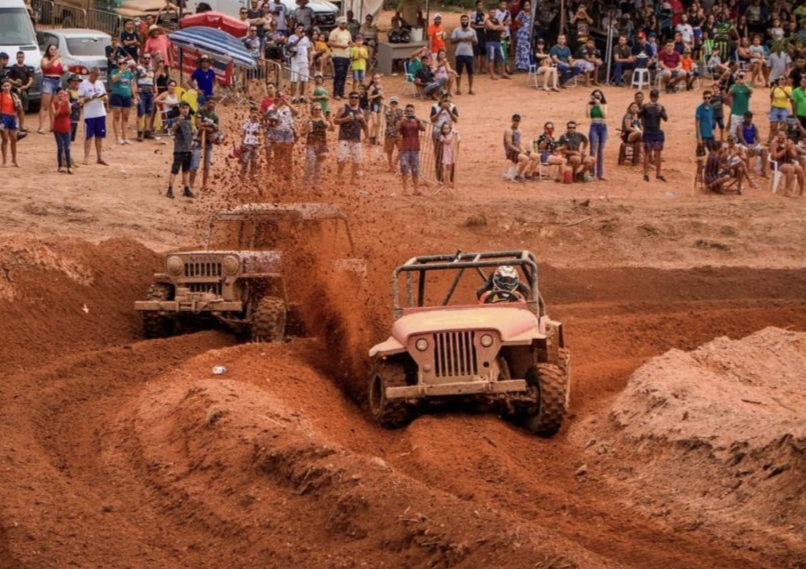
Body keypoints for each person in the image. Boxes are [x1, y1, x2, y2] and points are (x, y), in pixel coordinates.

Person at [333, 90, 367, 183]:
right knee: (342, 158)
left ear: (358, 99)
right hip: (344, 137)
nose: (354, 99)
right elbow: (335, 121)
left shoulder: (361, 111)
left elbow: (364, 126)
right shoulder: (343, 108)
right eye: (352, 97)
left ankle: (353, 179)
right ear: (349, 98)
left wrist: (363, 121)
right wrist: (346, 119)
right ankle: (338, 177)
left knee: (357, 160)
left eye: (356, 97)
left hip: (356, 138)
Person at [78, 67, 108, 165]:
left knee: (99, 136)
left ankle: (99, 157)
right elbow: (80, 100)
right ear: (90, 73)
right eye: (95, 75)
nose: (96, 77)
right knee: (88, 136)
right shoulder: (83, 84)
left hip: (100, 112)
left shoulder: (100, 83)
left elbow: (105, 96)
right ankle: (86, 158)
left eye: (98, 75)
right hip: (89, 114)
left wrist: (104, 98)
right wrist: (91, 97)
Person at [301, 103, 333, 192]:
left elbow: (331, 129)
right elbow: (301, 133)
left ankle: (316, 186)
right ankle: (305, 185)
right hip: (311, 144)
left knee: (318, 167)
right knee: (311, 164)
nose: (318, 111)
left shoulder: (323, 120)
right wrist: (307, 130)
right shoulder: (308, 120)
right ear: (312, 110)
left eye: (319, 109)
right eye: (316, 109)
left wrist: (329, 120)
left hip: (321, 145)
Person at [190, 97, 220, 192]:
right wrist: (211, 126)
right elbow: (198, 125)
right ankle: (191, 185)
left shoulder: (215, 117)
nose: (211, 104)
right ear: (206, 103)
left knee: (207, 165)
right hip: (198, 140)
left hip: (208, 142)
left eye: (213, 103)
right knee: (195, 164)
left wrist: (206, 126)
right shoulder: (200, 112)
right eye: (210, 102)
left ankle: (205, 184)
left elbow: (216, 129)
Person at [166, 101, 194, 199]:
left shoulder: (189, 120)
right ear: (179, 109)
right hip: (179, 149)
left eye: (187, 108)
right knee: (175, 170)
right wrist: (178, 123)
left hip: (188, 149)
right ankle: (170, 189)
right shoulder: (177, 119)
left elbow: (191, 132)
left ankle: (186, 189)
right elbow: (171, 130)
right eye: (183, 108)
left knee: (186, 170)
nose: (185, 110)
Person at [639, 89, 668, 182]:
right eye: (653, 96)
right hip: (649, 131)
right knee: (648, 153)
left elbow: (665, 118)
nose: (654, 98)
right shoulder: (646, 106)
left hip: (655, 131)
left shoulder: (660, 107)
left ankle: (657, 174)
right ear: (650, 97)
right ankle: (646, 174)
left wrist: (661, 112)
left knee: (657, 154)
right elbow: (639, 116)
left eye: (655, 97)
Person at [430, 91, 458, 182]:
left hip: (449, 134)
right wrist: (441, 110)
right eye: (443, 97)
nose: (446, 100)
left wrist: (448, 110)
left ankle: (451, 178)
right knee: (439, 155)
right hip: (438, 133)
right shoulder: (434, 107)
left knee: (451, 156)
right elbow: (432, 119)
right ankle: (440, 179)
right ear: (440, 98)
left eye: (447, 98)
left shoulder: (453, 107)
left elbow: (455, 119)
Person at [399, 103, 426, 196]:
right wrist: (401, 121)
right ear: (405, 112)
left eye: (411, 111)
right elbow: (396, 130)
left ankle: (416, 189)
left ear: (414, 112)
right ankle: (405, 189)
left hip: (415, 147)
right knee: (404, 168)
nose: (410, 113)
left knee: (415, 169)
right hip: (405, 147)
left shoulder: (416, 121)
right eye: (408, 111)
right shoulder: (403, 121)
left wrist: (419, 121)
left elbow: (424, 129)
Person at [110, 57, 137, 145]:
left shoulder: (129, 73)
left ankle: (125, 137)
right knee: (116, 116)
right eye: (120, 63)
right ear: (117, 64)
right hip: (117, 94)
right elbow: (114, 79)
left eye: (123, 63)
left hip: (127, 95)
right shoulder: (114, 71)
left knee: (125, 117)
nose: (122, 65)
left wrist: (135, 96)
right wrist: (120, 71)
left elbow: (132, 85)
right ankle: (118, 137)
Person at [504, 113, 538, 182]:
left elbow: (518, 143)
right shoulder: (509, 131)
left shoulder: (519, 131)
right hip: (511, 152)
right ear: (512, 121)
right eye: (515, 121)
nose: (516, 122)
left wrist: (523, 150)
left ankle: (529, 174)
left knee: (537, 157)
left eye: (517, 121)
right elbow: (509, 145)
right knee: (525, 159)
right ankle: (518, 175)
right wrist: (519, 151)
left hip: (518, 150)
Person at [770, 128, 804, 196]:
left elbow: (794, 156)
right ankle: (787, 191)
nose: (781, 139)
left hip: (788, 162)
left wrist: (790, 148)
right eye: (779, 137)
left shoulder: (789, 142)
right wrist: (785, 149)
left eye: (783, 138)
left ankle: (801, 191)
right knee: (790, 169)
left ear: (786, 137)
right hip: (778, 164)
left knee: (799, 168)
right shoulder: (774, 143)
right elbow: (775, 157)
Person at [39, 43, 63, 134]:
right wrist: (55, 58)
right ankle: (41, 126)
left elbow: (60, 72)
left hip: (58, 80)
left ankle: (53, 126)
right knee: (45, 105)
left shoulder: (59, 60)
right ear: (48, 51)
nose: (53, 51)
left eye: (55, 49)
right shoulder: (44, 59)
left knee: (54, 104)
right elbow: (47, 66)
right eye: (51, 49)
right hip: (48, 80)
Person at [737, 111, 768, 177]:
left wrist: (753, 146)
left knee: (764, 150)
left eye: (749, 118)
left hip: (752, 145)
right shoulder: (740, 126)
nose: (747, 120)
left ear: (751, 118)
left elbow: (758, 139)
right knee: (745, 151)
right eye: (746, 118)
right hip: (743, 145)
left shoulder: (754, 127)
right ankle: (747, 171)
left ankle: (764, 171)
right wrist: (748, 146)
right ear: (744, 118)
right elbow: (741, 138)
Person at [452, 14, 477, 95]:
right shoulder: (456, 30)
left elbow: (476, 42)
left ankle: (471, 88)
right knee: (458, 72)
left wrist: (471, 40)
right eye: (463, 20)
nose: (464, 21)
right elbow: (452, 41)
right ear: (461, 21)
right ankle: (458, 89)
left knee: (471, 72)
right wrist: (459, 39)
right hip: (459, 53)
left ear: (468, 20)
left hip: (469, 53)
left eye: (466, 19)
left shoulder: (472, 31)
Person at [8, 51, 33, 132]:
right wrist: (14, 83)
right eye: (19, 57)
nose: (20, 58)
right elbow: (8, 79)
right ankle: (14, 126)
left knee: (22, 109)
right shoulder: (13, 68)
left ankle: (21, 126)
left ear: (24, 58)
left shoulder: (26, 68)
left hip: (24, 91)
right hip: (15, 91)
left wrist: (26, 86)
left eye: (22, 57)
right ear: (16, 58)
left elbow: (31, 78)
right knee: (15, 108)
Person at [328, 17, 352, 100]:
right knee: (339, 74)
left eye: (345, 23)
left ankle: (342, 92)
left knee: (344, 75)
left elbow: (350, 41)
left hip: (346, 55)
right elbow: (330, 42)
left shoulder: (348, 33)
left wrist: (349, 45)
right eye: (342, 23)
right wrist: (341, 46)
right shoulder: (334, 32)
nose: (344, 24)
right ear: (338, 23)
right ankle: (336, 93)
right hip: (337, 55)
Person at [287, 24, 312, 104]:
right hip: (295, 60)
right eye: (299, 28)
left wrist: (310, 59)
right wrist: (299, 38)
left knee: (303, 79)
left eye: (302, 28)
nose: (301, 29)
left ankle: (302, 96)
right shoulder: (292, 37)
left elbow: (309, 50)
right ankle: (293, 97)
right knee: (294, 79)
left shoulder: (306, 38)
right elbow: (291, 45)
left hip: (304, 60)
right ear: (296, 29)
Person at [586, 89, 608, 181]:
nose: (597, 97)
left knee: (601, 150)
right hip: (594, 125)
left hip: (602, 126)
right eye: (595, 95)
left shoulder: (604, 105)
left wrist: (599, 105)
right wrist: (590, 105)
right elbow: (587, 115)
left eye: (599, 95)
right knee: (593, 149)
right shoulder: (590, 105)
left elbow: (604, 115)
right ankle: (592, 173)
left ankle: (600, 173)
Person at [0, 80, 21, 167]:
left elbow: (19, 108)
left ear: (11, 86)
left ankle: (14, 159)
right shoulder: (1, 96)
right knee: (5, 139)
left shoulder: (14, 95)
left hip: (12, 117)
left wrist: (18, 103)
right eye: (5, 86)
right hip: (3, 117)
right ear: (2, 87)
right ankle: (4, 161)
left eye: (8, 85)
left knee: (14, 139)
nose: (6, 87)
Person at [135, 53, 156, 140]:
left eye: (148, 58)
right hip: (141, 91)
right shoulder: (138, 69)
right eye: (145, 58)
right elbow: (134, 81)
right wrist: (136, 93)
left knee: (149, 112)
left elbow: (154, 80)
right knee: (141, 112)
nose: (147, 60)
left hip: (150, 91)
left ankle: (147, 131)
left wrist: (154, 89)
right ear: (142, 59)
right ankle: (140, 132)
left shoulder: (152, 69)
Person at [52, 88, 72, 173]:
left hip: (66, 127)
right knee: (60, 147)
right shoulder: (54, 104)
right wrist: (60, 105)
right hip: (57, 128)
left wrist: (66, 102)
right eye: (60, 94)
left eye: (63, 94)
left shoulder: (68, 103)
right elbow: (55, 115)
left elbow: (69, 113)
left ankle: (69, 166)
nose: (61, 96)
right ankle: (60, 165)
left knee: (67, 148)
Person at [484, 7, 508, 80]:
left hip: (498, 41)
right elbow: (492, 27)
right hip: (490, 42)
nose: (493, 14)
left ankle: (503, 73)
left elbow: (503, 28)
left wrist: (497, 27)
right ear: (488, 13)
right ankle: (492, 74)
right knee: (491, 58)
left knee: (502, 57)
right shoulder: (487, 20)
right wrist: (499, 26)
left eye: (494, 12)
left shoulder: (497, 20)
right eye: (491, 12)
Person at [240, 106, 261, 183]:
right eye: (253, 112)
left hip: (255, 143)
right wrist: (242, 142)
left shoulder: (259, 123)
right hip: (247, 143)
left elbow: (260, 132)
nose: (255, 114)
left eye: (256, 112)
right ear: (250, 113)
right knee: (245, 160)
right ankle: (242, 175)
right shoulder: (247, 122)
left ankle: (252, 175)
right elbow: (244, 132)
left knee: (254, 161)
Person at [768, 75, 792, 143]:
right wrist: (774, 89)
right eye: (779, 79)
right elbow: (771, 97)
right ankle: (770, 141)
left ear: (785, 80)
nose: (781, 80)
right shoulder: (774, 87)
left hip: (783, 109)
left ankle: (783, 141)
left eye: (782, 79)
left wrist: (782, 89)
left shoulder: (788, 88)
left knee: (783, 127)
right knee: (773, 127)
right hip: (775, 108)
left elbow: (789, 96)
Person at [728, 73, 753, 138]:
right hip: (735, 112)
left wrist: (744, 84)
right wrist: (736, 84)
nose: (741, 78)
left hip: (745, 112)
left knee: (744, 129)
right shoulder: (733, 86)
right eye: (740, 76)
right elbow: (729, 94)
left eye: (743, 77)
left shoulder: (749, 85)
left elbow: (751, 91)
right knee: (733, 131)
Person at [384, 96, 403, 172]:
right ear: (390, 103)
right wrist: (393, 114)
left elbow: (402, 120)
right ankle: (390, 166)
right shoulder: (387, 112)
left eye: (395, 103)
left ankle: (394, 164)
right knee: (389, 151)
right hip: (389, 134)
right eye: (392, 103)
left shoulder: (401, 111)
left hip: (398, 134)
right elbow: (390, 123)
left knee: (402, 150)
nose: (394, 104)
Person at [514, 0, 532, 72]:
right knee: (521, 48)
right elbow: (516, 19)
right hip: (522, 32)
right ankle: (520, 66)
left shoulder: (531, 13)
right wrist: (522, 23)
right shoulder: (522, 12)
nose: (527, 7)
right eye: (525, 5)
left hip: (529, 32)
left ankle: (526, 65)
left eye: (528, 5)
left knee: (528, 49)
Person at [438, 122, 456, 191]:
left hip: (451, 153)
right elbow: (448, 141)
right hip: (446, 154)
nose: (446, 130)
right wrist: (452, 134)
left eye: (447, 128)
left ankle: (448, 180)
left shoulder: (450, 134)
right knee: (447, 167)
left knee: (450, 167)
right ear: (442, 129)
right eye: (444, 128)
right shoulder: (442, 137)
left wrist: (452, 133)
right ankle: (447, 181)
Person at [367, 73, 383, 145]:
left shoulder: (381, 87)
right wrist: (377, 95)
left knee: (379, 123)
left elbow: (383, 96)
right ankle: (370, 137)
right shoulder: (372, 87)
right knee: (374, 122)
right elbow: (369, 97)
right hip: (373, 105)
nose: (377, 80)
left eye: (378, 78)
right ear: (373, 79)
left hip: (379, 104)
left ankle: (377, 138)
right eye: (375, 78)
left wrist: (381, 95)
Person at [471, 0, 487, 72]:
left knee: (483, 52)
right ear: (476, 6)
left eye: (482, 5)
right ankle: (476, 68)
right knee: (476, 52)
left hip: (483, 34)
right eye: (479, 5)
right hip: (476, 34)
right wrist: (481, 27)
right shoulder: (474, 14)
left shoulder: (483, 14)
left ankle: (482, 68)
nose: (480, 6)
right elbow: (472, 25)